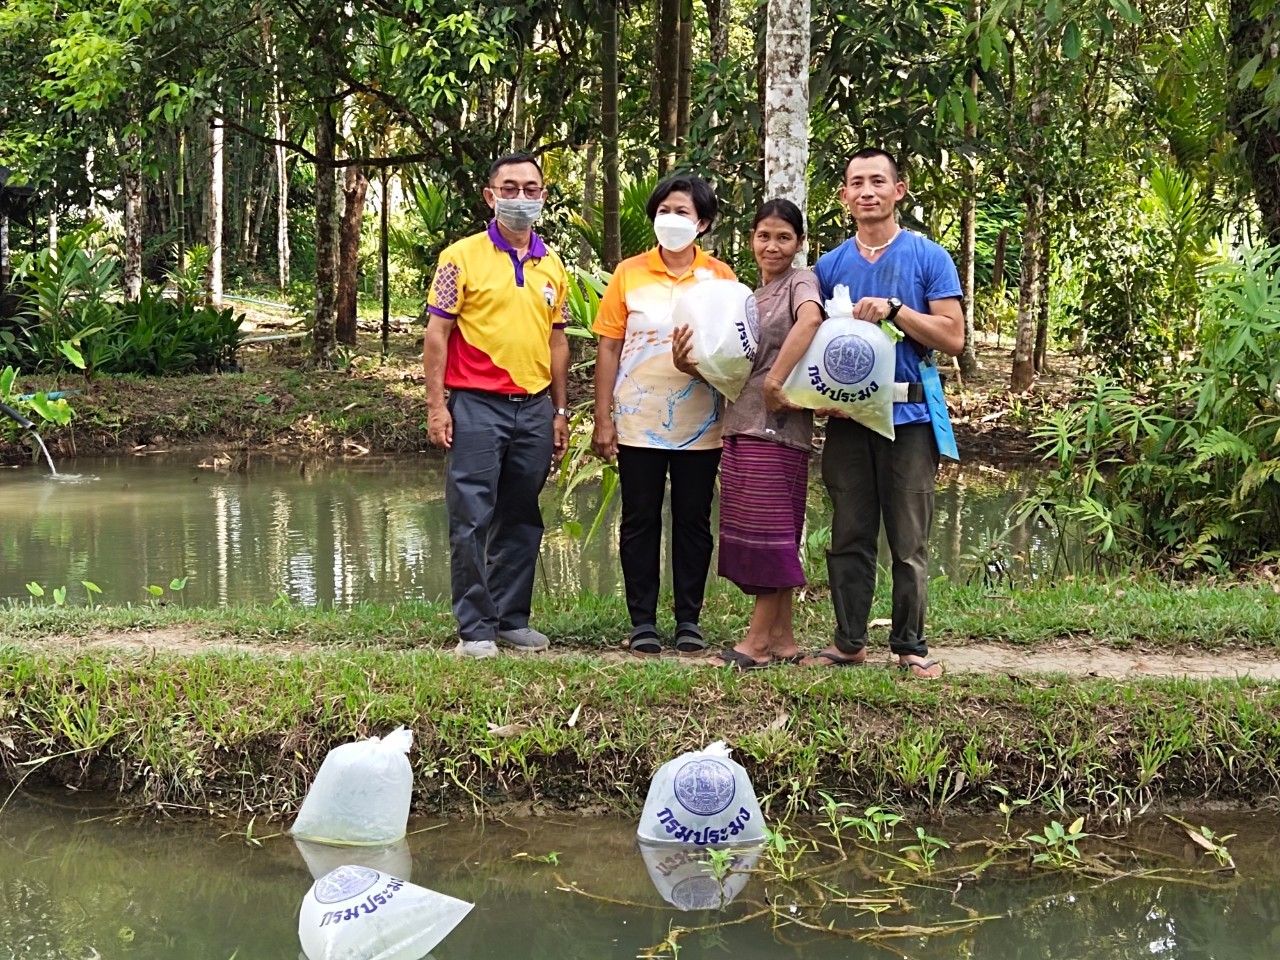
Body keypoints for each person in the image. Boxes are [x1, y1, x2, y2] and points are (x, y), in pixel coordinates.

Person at [804, 148, 964, 678]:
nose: (867, 191)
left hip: (911, 419)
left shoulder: (928, 257)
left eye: (878, 181)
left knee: (909, 537)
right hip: (848, 423)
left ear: (900, 190)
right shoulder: (828, 266)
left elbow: (954, 336)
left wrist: (897, 310)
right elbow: (811, 341)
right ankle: (849, 641)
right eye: (856, 182)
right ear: (845, 196)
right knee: (849, 532)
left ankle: (910, 645)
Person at [423, 152, 571, 659]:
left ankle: (512, 619)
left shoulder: (552, 266)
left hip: (533, 409)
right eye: (510, 188)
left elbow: (557, 342)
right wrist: (437, 405)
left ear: (543, 195)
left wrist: (559, 411)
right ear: (490, 196)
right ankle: (475, 628)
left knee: (522, 516)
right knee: (470, 518)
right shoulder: (459, 258)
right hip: (476, 406)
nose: (521, 198)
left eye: (531, 189)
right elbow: (437, 335)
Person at [672, 198, 823, 670]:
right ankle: (782, 640)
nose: (772, 246)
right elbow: (733, 373)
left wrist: (777, 380)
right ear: (751, 240)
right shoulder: (747, 299)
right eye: (764, 236)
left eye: (783, 237)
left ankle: (755, 643)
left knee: (768, 534)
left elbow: (812, 320)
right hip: (740, 424)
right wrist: (689, 366)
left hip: (779, 427)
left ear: (798, 243)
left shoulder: (802, 281)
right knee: (756, 533)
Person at [591, 173, 736, 656]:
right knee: (639, 518)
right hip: (636, 420)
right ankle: (642, 623)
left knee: (694, 519)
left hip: (703, 421)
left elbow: (736, 351)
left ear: (704, 222)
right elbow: (609, 347)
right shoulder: (629, 273)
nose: (671, 221)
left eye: (683, 213)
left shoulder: (722, 277)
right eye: (664, 212)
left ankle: (689, 620)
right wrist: (604, 418)